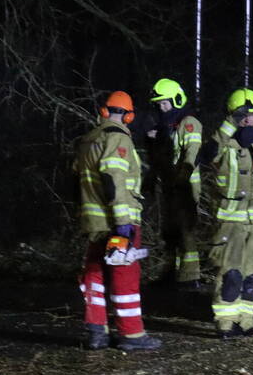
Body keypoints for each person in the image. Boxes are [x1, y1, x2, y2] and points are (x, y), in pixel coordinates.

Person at [74, 90, 161, 351]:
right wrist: (123, 222)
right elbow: (114, 179)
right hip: (118, 219)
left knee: (94, 272)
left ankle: (96, 331)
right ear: (130, 115)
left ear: (103, 111)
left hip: (94, 221)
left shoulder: (89, 139)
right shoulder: (117, 138)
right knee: (125, 273)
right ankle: (131, 334)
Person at [202, 88, 253, 338]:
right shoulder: (224, 141)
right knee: (231, 275)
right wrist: (229, 125)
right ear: (233, 116)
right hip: (231, 219)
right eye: (242, 115)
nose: (248, 120)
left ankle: (246, 320)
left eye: (252, 115)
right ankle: (226, 322)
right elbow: (207, 155)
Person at [149, 78, 204, 288]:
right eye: (159, 104)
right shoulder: (167, 127)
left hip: (186, 186)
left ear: (177, 100)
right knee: (170, 231)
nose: (162, 108)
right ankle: (171, 273)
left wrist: (183, 176)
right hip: (170, 185)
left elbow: (192, 152)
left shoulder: (188, 123)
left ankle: (191, 277)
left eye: (165, 103)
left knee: (186, 230)